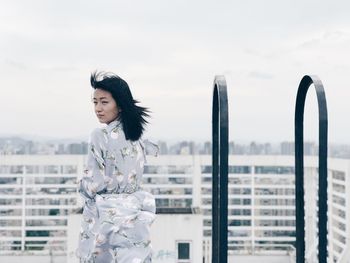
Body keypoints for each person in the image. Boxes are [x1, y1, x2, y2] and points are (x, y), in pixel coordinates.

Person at [76, 71, 159, 263]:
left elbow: (93, 183)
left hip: (107, 216)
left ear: (119, 105)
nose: (98, 108)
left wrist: (82, 187)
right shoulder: (136, 136)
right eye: (95, 102)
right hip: (134, 214)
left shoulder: (100, 135)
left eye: (104, 102)